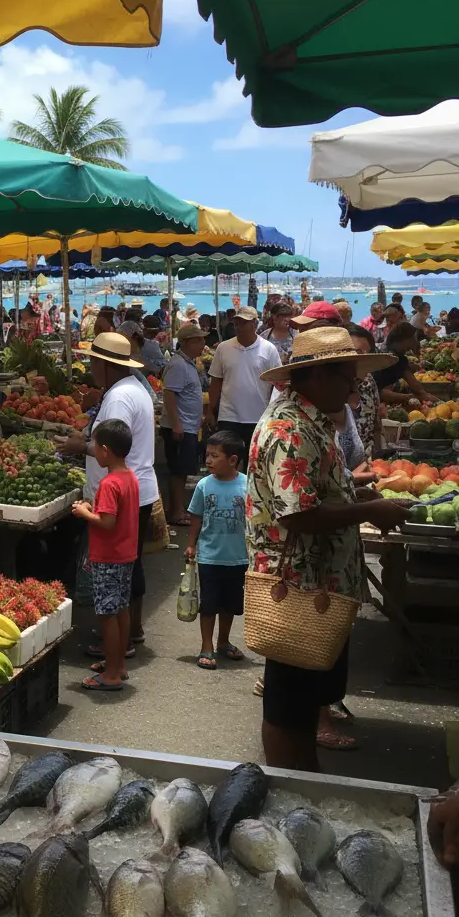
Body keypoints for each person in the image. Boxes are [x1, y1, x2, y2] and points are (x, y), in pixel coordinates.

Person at [247, 326, 408, 771]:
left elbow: (321, 496)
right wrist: (368, 512)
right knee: (288, 701)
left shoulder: (315, 422)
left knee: (305, 696)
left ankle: (303, 773)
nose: (355, 388)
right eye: (348, 378)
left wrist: (364, 500)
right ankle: (290, 780)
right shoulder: (289, 429)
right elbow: (297, 514)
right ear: (318, 377)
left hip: (320, 583)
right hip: (297, 585)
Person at [57, 332, 159, 653]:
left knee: (116, 573)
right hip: (135, 490)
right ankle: (133, 632)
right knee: (130, 565)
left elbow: (111, 448)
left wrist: (80, 446)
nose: (89, 367)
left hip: (121, 496)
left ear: (103, 364)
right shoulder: (132, 388)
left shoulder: (118, 398)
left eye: (92, 361)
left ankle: (119, 643)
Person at [72, 418, 139, 691]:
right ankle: (118, 664)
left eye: (95, 445)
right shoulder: (130, 477)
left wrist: (85, 512)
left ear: (105, 451)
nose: (94, 450)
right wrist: (94, 508)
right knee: (120, 609)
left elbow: (107, 522)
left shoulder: (110, 484)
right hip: (125, 556)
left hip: (108, 558)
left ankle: (111, 674)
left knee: (106, 615)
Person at [186, 430, 248, 671]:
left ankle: (223, 641)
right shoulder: (204, 485)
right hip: (210, 556)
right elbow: (196, 517)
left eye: (214, 455)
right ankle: (206, 646)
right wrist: (191, 544)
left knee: (230, 604)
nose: (208, 460)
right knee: (209, 603)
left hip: (238, 558)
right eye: (207, 455)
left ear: (233, 460)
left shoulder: (248, 485)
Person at [204, 306, 281, 461]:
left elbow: (277, 383)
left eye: (243, 323)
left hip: (258, 415)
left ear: (255, 324)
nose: (238, 327)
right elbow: (216, 381)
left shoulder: (268, 349)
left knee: (253, 460)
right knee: (227, 460)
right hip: (229, 416)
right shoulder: (223, 348)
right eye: (236, 323)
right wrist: (211, 410)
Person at [160, 324, 206, 525]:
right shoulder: (178, 364)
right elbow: (169, 394)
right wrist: (177, 424)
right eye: (199, 340)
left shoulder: (187, 363)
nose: (203, 344)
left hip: (187, 425)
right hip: (180, 427)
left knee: (182, 470)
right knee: (178, 471)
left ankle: (177, 509)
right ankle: (176, 511)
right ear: (188, 343)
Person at [375, 322, 437, 407]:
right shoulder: (386, 358)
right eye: (413, 339)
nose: (415, 342)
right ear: (403, 339)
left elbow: (417, 388)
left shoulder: (399, 358)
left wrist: (424, 396)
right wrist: (410, 397)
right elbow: (378, 392)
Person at [346, 324, 381, 459]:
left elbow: (376, 426)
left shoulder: (368, 381)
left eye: (367, 354)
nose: (363, 360)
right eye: (357, 353)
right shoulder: (330, 388)